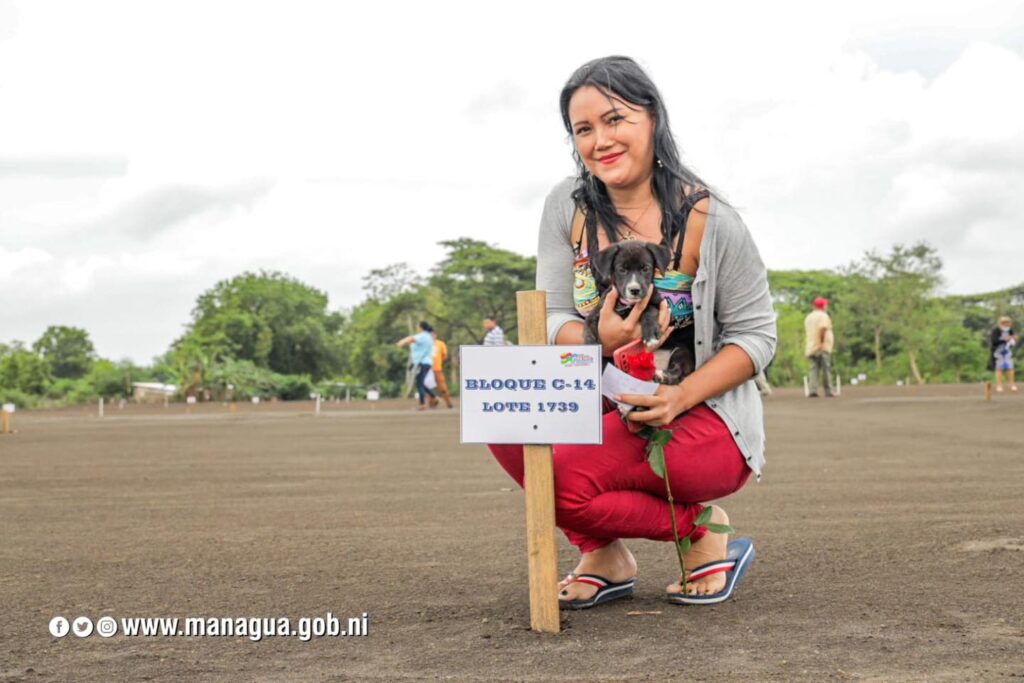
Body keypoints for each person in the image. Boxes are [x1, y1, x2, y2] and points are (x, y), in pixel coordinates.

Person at [488, 56, 776, 608]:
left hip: (696, 414)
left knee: (563, 480)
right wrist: (599, 342)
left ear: (652, 118)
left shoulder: (711, 218)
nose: (600, 140)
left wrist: (679, 397)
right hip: (605, 391)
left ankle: (701, 532)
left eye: (615, 119)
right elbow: (551, 315)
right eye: (583, 129)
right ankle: (603, 554)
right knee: (506, 412)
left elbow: (757, 337)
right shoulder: (567, 206)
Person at [396, 321, 438, 410]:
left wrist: (401, 342)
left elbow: (411, 339)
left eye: (418, 326)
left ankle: (422, 404)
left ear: (421, 327)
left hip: (422, 362)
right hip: (426, 362)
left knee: (419, 384)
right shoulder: (428, 337)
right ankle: (433, 397)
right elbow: (413, 342)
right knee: (420, 382)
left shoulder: (423, 336)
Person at [804, 297, 835, 398]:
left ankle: (812, 390)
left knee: (813, 369)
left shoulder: (809, 317)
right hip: (822, 347)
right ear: (823, 306)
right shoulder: (823, 316)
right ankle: (828, 390)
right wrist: (821, 343)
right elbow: (823, 329)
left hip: (811, 346)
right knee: (826, 369)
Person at [989, 315, 1017, 392]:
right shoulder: (995, 331)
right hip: (998, 353)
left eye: (1008, 323)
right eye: (1004, 323)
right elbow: (994, 341)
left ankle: (1012, 384)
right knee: (999, 368)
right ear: (1000, 323)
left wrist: (1013, 339)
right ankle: (999, 385)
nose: (1006, 325)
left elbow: (1012, 341)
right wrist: (1005, 339)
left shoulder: (1010, 330)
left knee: (1010, 368)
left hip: (1007, 352)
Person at [430, 330, 454, 408]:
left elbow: (445, 356)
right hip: (428, 370)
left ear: (436, 335)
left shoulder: (440, 344)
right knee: (430, 388)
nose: (432, 336)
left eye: (433, 334)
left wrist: (440, 362)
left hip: (438, 369)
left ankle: (449, 403)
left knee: (443, 388)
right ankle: (432, 403)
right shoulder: (426, 344)